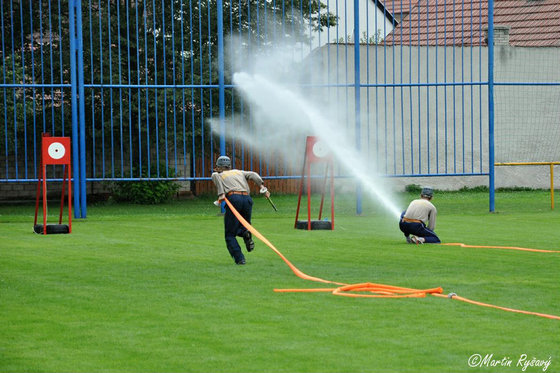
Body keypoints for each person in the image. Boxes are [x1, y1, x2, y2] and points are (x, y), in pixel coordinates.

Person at [211, 155, 271, 265]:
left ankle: (240, 259)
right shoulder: (239, 172)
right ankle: (245, 233)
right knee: (244, 226)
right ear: (229, 166)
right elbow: (253, 174)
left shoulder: (218, 174)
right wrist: (262, 187)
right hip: (247, 199)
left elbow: (215, 176)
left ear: (219, 167)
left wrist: (221, 194)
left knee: (229, 234)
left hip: (234, 199)